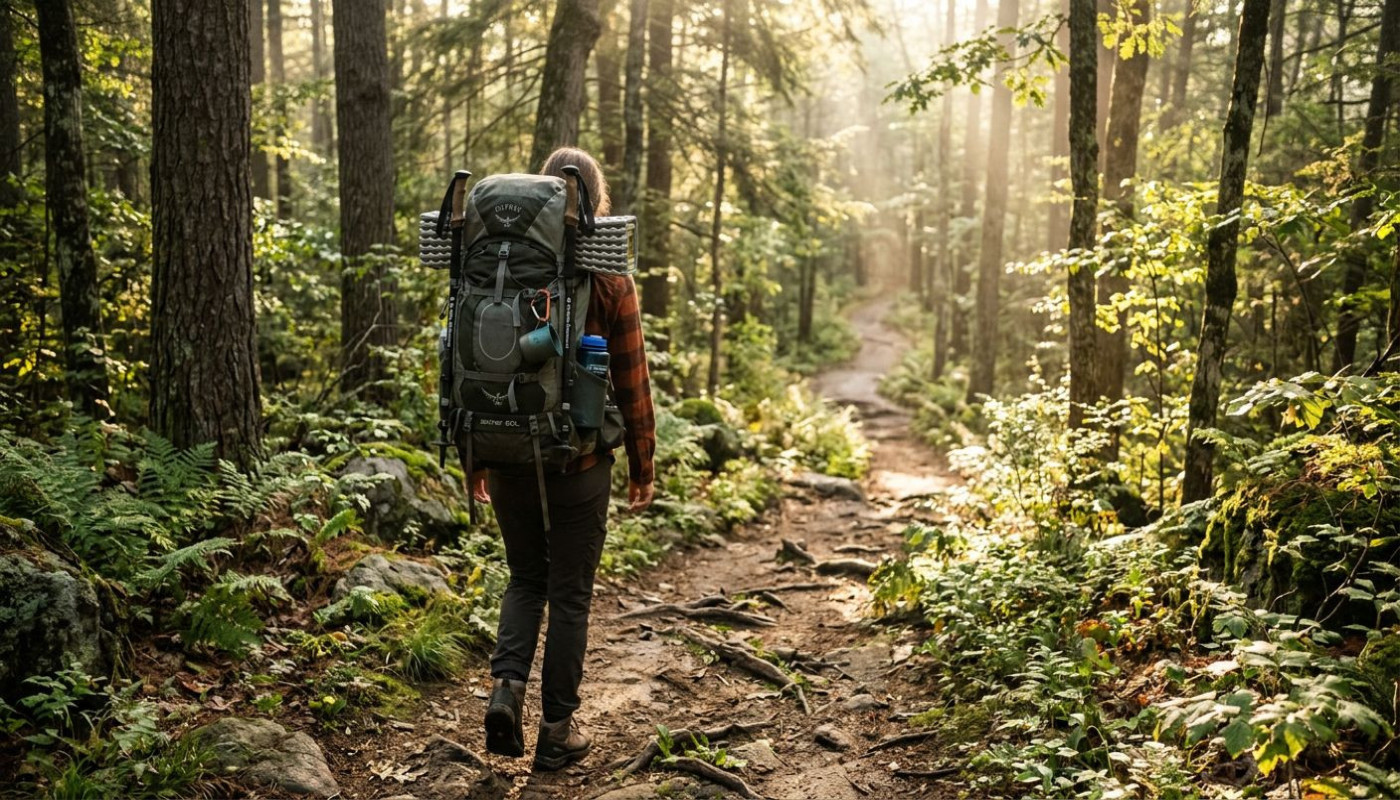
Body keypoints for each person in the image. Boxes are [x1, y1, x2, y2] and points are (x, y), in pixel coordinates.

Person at [473, 147, 656, 771]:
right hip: (578, 461)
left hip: (505, 451)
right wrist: (642, 461)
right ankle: (555, 731)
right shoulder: (608, 274)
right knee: (570, 593)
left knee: (525, 578)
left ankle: (505, 690)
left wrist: (475, 457)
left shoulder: (495, 263)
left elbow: (468, 365)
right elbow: (632, 377)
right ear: (598, 200)